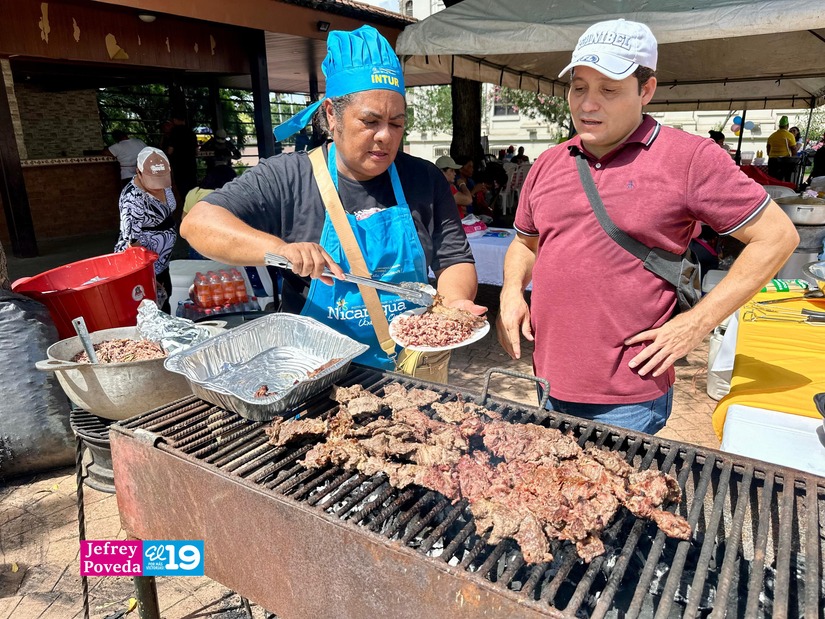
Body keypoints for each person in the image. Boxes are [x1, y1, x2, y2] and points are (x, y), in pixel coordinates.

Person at [496, 18, 798, 435]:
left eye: (608, 90)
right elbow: (525, 243)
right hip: (548, 379)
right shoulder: (549, 162)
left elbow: (777, 237)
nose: (587, 104)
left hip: (628, 397)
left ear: (646, 90)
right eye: (579, 87)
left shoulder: (690, 158)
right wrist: (511, 291)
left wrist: (696, 324)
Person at [181, 25, 484, 380]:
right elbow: (198, 223)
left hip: (413, 367)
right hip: (316, 374)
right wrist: (280, 249)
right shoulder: (287, 177)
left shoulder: (423, 178)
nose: (385, 136)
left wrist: (452, 308)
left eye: (397, 123)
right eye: (370, 121)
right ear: (331, 115)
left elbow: (454, 259)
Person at [114, 147, 178, 313]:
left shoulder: (165, 185)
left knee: (165, 301)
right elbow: (132, 242)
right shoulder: (132, 198)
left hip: (161, 262)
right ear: (138, 172)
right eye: (153, 180)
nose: (158, 186)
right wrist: (147, 275)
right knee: (149, 307)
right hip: (143, 266)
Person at [165, 112, 199, 203]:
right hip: (191, 165)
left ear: (175, 120)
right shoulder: (191, 133)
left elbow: (170, 150)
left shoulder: (174, 133)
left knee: (183, 189)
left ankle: (186, 206)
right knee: (192, 187)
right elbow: (197, 151)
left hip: (179, 166)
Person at [766, 115, 798, 182]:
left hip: (772, 161)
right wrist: (794, 158)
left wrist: (771, 155)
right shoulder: (790, 135)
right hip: (785, 161)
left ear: (779, 126)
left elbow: (768, 149)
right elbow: (794, 148)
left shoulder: (772, 136)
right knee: (785, 180)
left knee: (772, 180)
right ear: (787, 125)